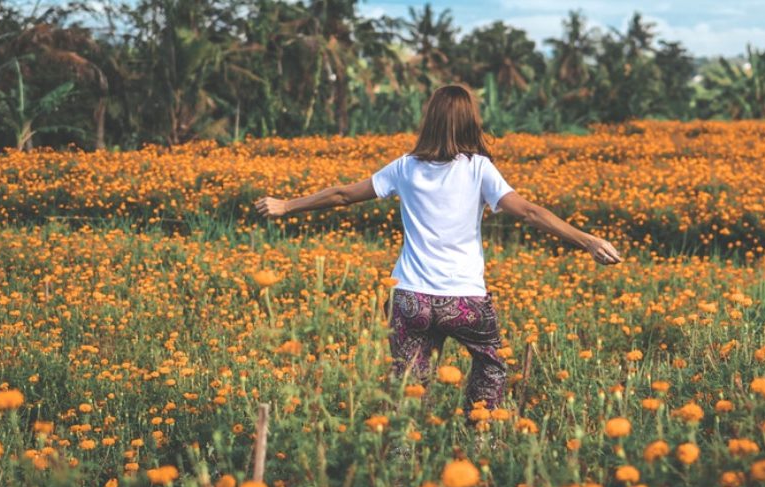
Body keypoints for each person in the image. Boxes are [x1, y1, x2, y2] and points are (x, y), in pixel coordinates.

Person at [255, 84, 621, 417]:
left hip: (411, 298)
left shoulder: (405, 167)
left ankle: (402, 461)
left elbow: (341, 195)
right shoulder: (480, 169)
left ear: (429, 120)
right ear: (470, 123)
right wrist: (587, 240)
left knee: (408, 386)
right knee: (492, 364)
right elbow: (529, 211)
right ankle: (479, 438)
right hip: (464, 300)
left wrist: (287, 205)